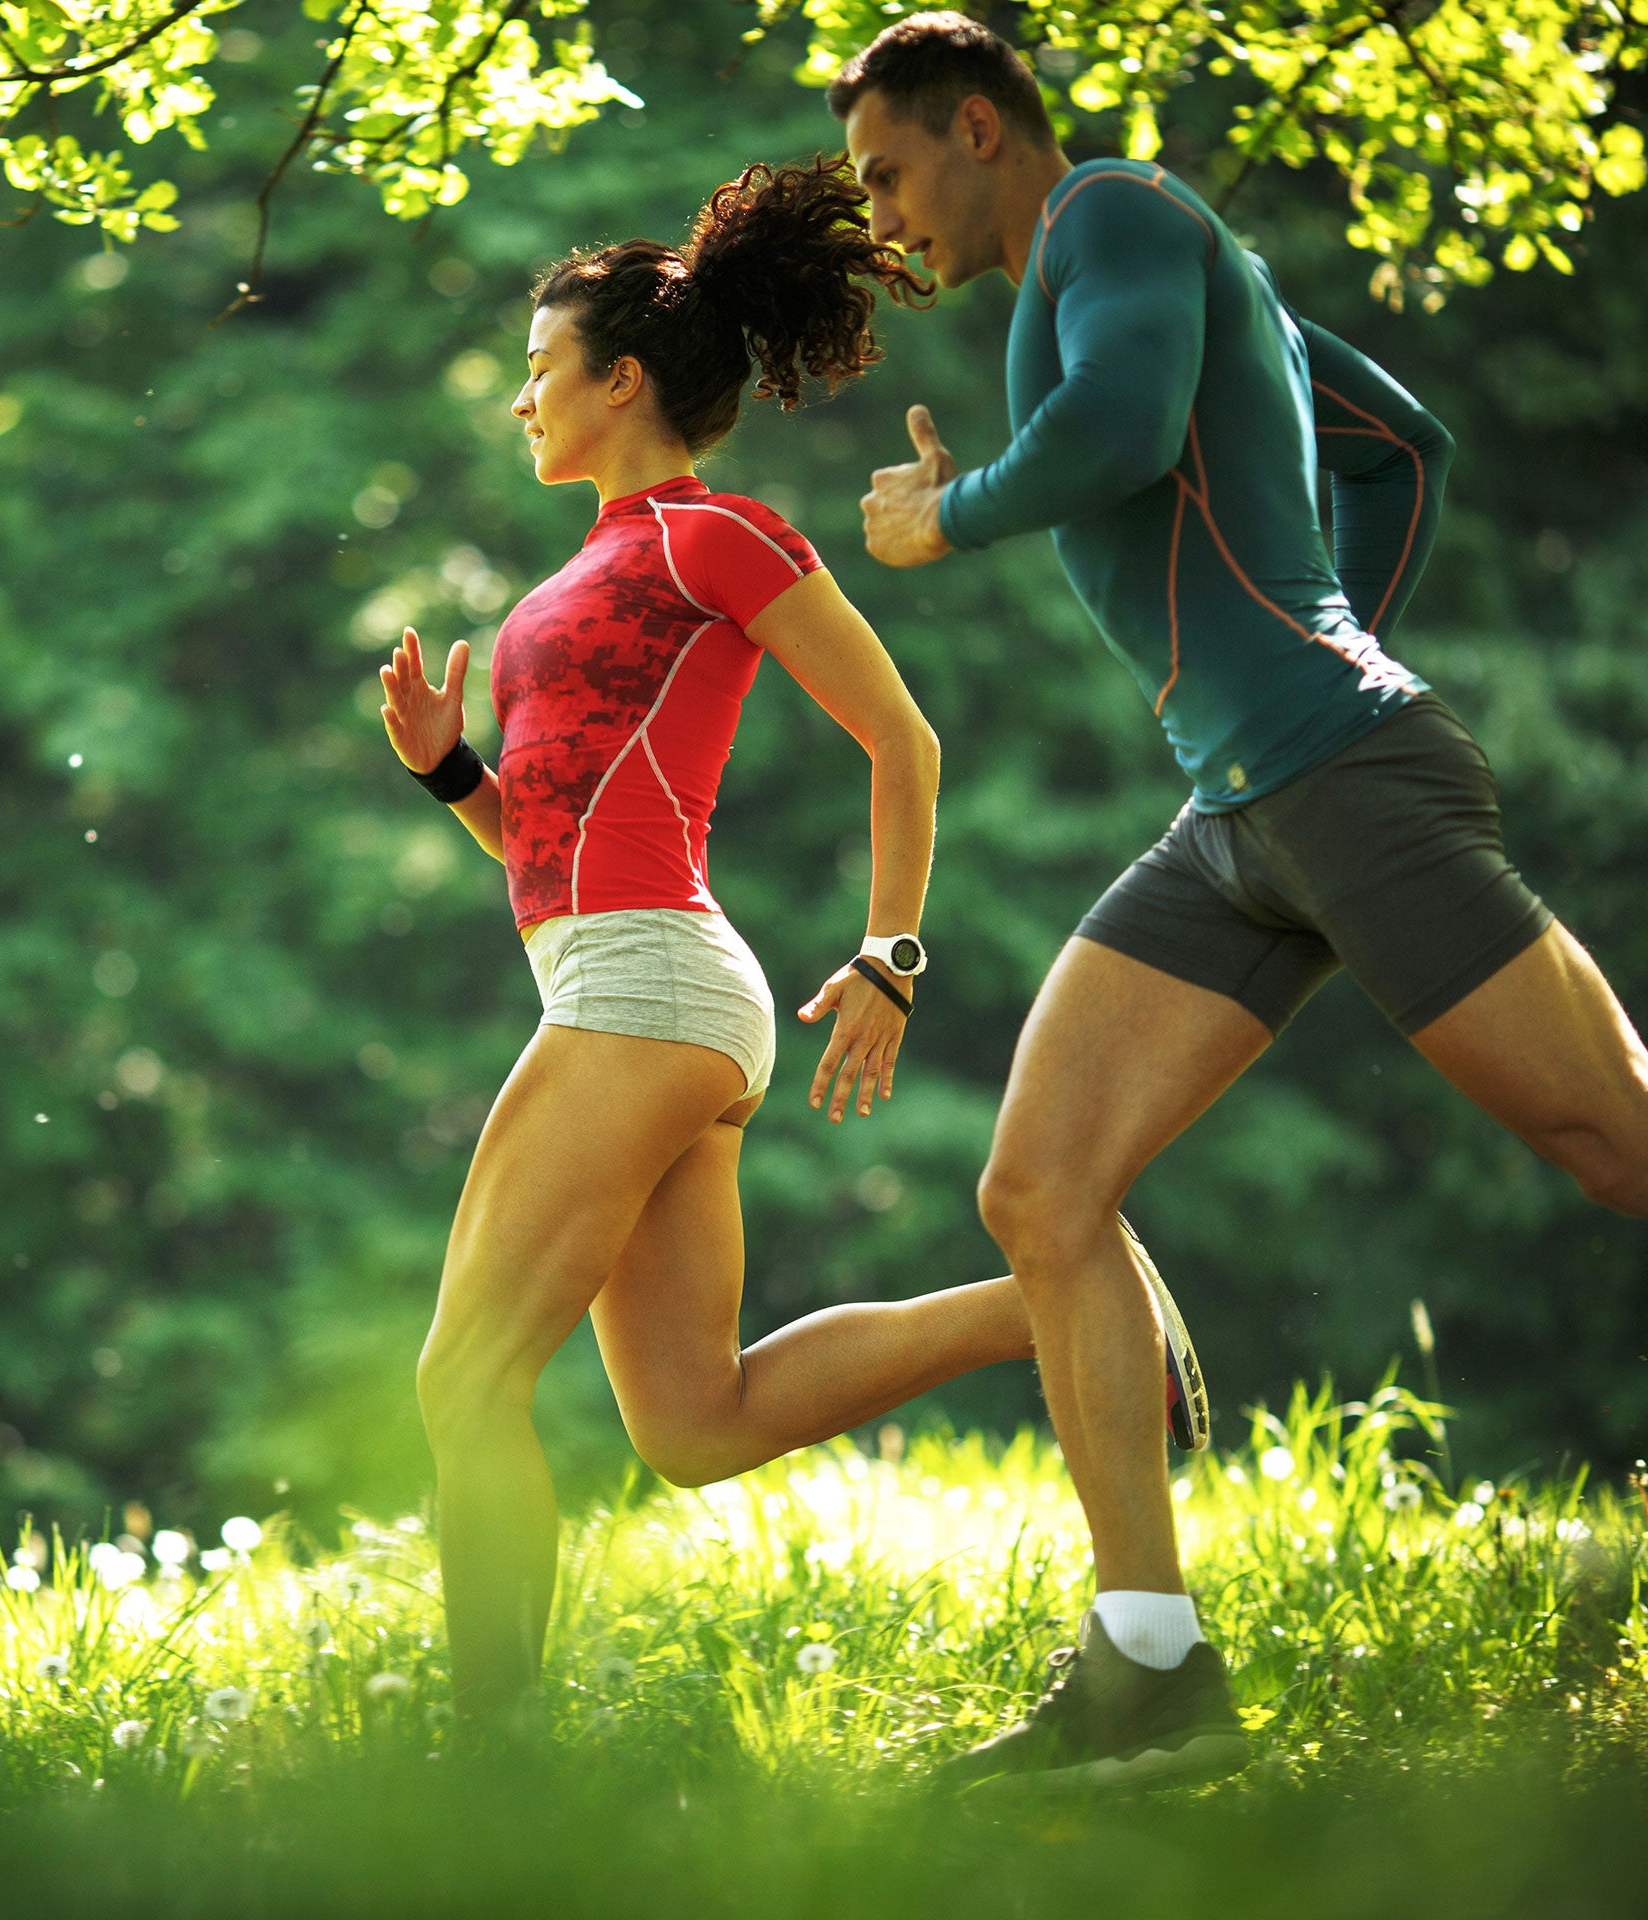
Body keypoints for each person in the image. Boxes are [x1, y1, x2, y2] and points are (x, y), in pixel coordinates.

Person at [831, 12, 1648, 1790]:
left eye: (889, 172)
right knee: (1039, 1183)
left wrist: (952, 515)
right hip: (1243, 806)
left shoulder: (1113, 222)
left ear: (982, 128)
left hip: (1337, 773)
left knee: (1628, 1140)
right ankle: (1148, 1670)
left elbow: (1120, 427)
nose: (881, 215)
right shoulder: (1128, 257)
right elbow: (1408, 444)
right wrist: (1328, 627)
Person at [379, 157, 1212, 1738]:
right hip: (628, 977)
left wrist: (891, 957)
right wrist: (446, 771)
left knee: (461, 1378)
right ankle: (1068, 1301)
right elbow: (547, 851)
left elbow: (905, 743)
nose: (521, 405)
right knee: (696, 1423)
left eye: (540, 373)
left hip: (649, 986)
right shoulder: (596, 561)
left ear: (622, 381)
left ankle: (478, 1757)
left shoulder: (718, 536)